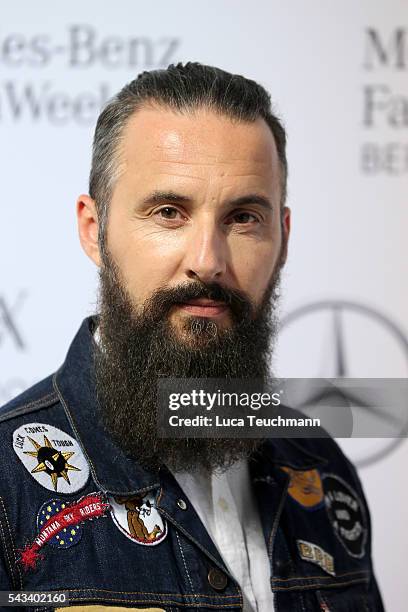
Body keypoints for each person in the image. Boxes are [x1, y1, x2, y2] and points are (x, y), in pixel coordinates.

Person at [0, 62, 384, 611]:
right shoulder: (5, 487)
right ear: (94, 229)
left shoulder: (322, 468)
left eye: (244, 217)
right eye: (168, 212)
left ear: (283, 236)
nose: (207, 262)